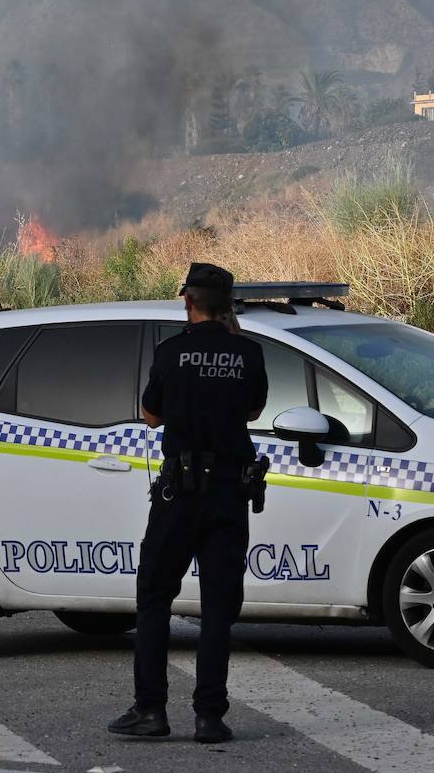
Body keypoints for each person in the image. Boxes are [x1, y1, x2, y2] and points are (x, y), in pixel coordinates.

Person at [107, 262, 268, 744]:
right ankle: (209, 718)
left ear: (187, 302)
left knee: (154, 598)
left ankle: (150, 711)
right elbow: (254, 409)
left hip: (178, 492)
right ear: (228, 307)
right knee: (219, 606)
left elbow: (150, 414)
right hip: (227, 493)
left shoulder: (170, 351)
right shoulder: (248, 352)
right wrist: (232, 339)